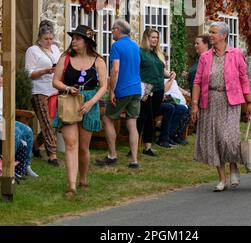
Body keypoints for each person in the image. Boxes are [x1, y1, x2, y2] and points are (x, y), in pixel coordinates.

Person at [192, 21, 251, 192]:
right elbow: (197, 82)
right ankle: (221, 179)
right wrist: (195, 105)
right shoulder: (205, 57)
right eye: (210, 32)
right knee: (214, 140)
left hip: (230, 101)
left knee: (228, 138)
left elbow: (243, 79)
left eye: (213, 32)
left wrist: (249, 102)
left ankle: (234, 166)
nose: (210, 34)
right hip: (210, 101)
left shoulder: (236, 54)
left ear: (224, 36)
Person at [53, 24, 107, 195]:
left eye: (77, 38)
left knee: (83, 147)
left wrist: (91, 103)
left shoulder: (98, 60)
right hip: (70, 102)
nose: (73, 41)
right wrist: (68, 88)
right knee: (70, 144)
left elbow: (104, 86)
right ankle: (72, 185)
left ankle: (83, 178)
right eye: (73, 38)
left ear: (87, 41)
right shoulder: (65, 57)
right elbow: (55, 81)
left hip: (88, 104)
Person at [95, 19, 141, 168]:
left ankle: (112, 155)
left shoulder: (116, 45)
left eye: (112, 29)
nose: (111, 32)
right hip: (136, 89)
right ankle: (134, 160)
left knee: (108, 118)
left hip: (123, 89)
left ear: (117, 30)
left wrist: (111, 90)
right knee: (132, 123)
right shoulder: (135, 46)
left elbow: (115, 69)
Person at [25, 20, 61, 166]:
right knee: (46, 122)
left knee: (56, 122)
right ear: (39, 38)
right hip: (39, 90)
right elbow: (28, 72)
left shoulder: (56, 49)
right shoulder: (32, 50)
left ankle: (36, 145)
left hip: (55, 89)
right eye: (46, 39)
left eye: (51, 39)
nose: (49, 41)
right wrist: (44, 71)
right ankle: (52, 154)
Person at [137, 28, 175, 156]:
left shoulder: (158, 53)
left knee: (151, 117)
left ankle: (147, 147)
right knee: (143, 117)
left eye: (157, 37)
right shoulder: (140, 52)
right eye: (152, 37)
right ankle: (134, 146)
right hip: (146, 88)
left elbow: (160, 70)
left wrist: (169, 74)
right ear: (146, 38)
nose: (155, 40)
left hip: (159, 88)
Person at [0, 66, 38, 179]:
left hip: (5, 119)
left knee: (27, 130)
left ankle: (25, 166)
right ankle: (7, 166)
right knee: (15, 132)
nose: (1, 79)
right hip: (1, 121)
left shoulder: (5, 90)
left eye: (2, 76)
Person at [156, 75, 189, 148]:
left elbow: (177, 87)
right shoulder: (159, 79)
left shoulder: (173, 81)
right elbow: (164, 90)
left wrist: (185, 92)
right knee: (170, 107)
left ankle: (170, 135)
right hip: (158, 103)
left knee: (182, 109)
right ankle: (163, 139)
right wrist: (172, 78)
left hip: (172, 102)